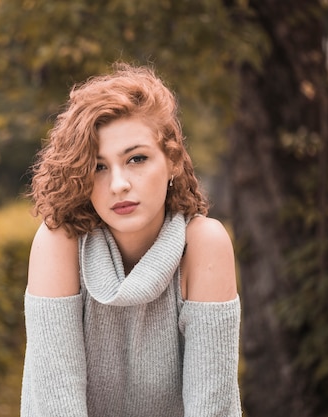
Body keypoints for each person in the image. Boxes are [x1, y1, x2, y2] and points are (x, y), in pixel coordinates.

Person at [21, 63, 242, 417]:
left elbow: (211, 410)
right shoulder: (58, 243)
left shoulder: (203, 245)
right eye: (99, 166)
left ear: (172, 161)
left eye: (136, 159)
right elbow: (56, 407)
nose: (119, 183)